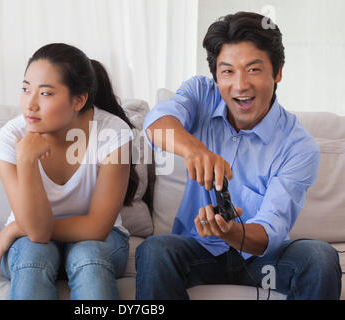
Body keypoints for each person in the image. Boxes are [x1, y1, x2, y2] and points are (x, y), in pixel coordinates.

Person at [135, 11, 342, 299]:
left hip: (262, 259)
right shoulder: (201, 94)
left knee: (320, 258)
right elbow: (156, 123)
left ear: (278, 71)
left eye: (253, 69)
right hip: (198, 249)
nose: (240, 85)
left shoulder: (298, 146)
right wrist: (195, 150)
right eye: (228, 71)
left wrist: (231, 232)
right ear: (216, 76)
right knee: (154, 251)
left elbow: (270, 231)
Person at [0, 43, 138, 300]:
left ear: (78, 100)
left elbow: (97, 228)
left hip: (100, 240)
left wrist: (16, 228)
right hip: (32, 240)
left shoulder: (114, 133)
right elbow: (36, 235)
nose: (30, 104)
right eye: (25, 90)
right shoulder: (10, 138)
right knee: (34, 255)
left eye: (45, 94)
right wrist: (26, 159)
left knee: (88, 256)